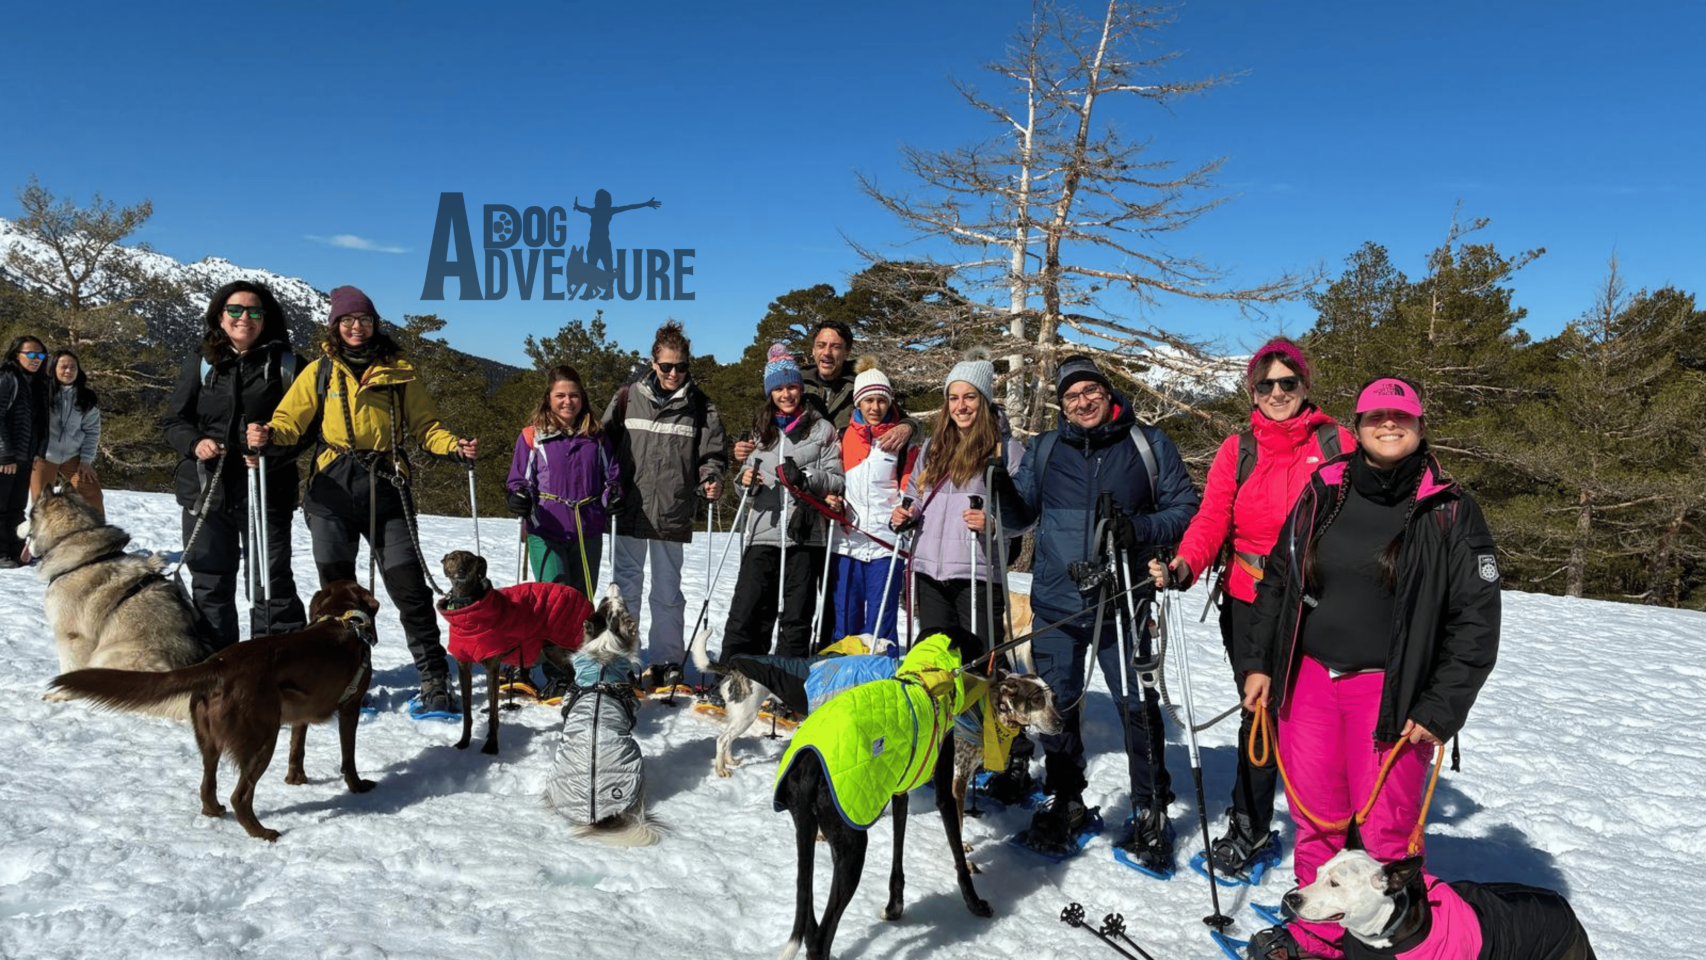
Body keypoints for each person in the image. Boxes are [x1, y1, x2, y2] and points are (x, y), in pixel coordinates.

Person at [1237, 376, 1500, 960]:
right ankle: (1317, 941)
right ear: (1355, 427)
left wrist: (1440, 707)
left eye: (1400, 416)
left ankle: (1387, 948)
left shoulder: (1450, 509)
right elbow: (1279, 580)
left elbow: (1476, 624)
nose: (1388, 425)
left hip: (1393, 694)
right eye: (1375, 416)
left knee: (1387, 835)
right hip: (1307, 681)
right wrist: (1258, 663)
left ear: (1420, 426)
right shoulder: (1324, 487)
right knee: (1316, 823)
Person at [1148, 337, 1352, 880]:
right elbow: (1213, 517)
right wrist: (1187, 565)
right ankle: (1252, 827)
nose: (1278, 392)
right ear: (1252, 391)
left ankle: (1341, 829)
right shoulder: (1238, 449)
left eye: (1289, 382)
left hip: (1318, 601)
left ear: (1305, 386)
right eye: (1267, 384)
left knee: (1323, 717)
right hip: (1248, 598)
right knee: (1258, 713)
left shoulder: (1336, 443)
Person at [247, 285, 478, 715]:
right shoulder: (319, 371)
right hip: (332, 491)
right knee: (338, 598)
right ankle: (348, 680)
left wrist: (450, 446)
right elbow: (288, 421)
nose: (356, 327)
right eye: (348, 321)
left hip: (387, 487)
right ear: (336, 326)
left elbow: (427, 426)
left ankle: (434, 677)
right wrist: (268, 436)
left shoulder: (399, 372)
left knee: (409, 588)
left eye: (364, 320)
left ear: (375, 324)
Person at [1010, 354, 1199, 866]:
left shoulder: (1147, 444)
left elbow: (1185, 509)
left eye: (1090, 391)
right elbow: (1021, 513)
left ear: (1107, 392)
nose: (1082, 402)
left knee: (1136, 707)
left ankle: (1150, 808)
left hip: (1123, 599)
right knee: (1059, 705)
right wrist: (997, 499)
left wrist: (1140, 530)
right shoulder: (1047, 447)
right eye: (1071, 396)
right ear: (1062, 405)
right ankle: (1066, 797)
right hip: (1056, 602)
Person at [163, 282, 310, 645]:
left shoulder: (288, 365)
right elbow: (173, 421)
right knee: (210, 579)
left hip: (266, 486)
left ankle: (277, 666)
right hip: (207, 488)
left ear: (266, 319)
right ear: (219, 316)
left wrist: (271, 445)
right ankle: (219, 668)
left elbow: (310, 428)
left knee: (269, 579)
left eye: (255, 312)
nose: (245, 318)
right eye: (236, 310)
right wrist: (196, 442)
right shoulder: (201, 362)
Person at [603, 320, 727, 689]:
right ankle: (623, 658)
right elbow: (605, 446)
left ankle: (666, 659)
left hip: (673, 510)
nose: (674, 373)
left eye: (681, 366)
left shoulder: (701, 405)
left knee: (668, 590)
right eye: (667, 366)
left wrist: (711, 478)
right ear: (653, 363)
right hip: (630, 508)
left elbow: (713, 454)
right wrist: (608, 484)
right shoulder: (628, 396)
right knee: (625, 590)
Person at [889, 351, 1025, 663]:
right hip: (930, 571)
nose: (960, 406)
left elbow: (1027, 512)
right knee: (936, 663)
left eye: (969, 397)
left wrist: (993, 523)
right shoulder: (934, 446)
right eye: (953, 398)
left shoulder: (1006, 449)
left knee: (978, 660)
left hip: (977, 572)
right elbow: (916, 493)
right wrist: (908, 512)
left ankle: (984, 712)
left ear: (984, 399)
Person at [718, 344, 844, 661]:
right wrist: (743, 480)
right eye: (778, 389)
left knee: (797, 614)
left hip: (804, 534)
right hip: (763, 531)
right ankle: (738, 671)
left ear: (800, 388)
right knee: (749, 608)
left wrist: (806, 477)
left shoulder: (822, 430)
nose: (785, 395)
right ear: (770, 392)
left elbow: (837, 480)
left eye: (791, 387)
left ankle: (787, 678)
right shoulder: (760, 430)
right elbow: (746, 478)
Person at [505, 365, 620, 700]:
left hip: (588, 529)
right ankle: (551, 671)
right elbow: (518, 479)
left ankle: (577, 669)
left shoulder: (596, 437)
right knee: (554, 599)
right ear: (549, 398)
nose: (567, 401)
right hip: (546, 527)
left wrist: (614, 496)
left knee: (581, 604)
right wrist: (517, 496)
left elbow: (612, 477)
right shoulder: (532, 436)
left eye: (573, 395)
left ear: (582, 398)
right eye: (560, 395)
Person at [823, 358, 916, 646]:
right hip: (846, 542)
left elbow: (912, 486)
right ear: (858, 402)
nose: (875, 407)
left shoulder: (901, 440)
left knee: (880, 625)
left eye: (881, 400)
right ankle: (843, 683)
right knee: (845, 622)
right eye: (869, 400)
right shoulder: (842, 437)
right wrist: (831, 498)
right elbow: (832, 478)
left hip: (885, 544)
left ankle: (880, 684)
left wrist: (905, 509)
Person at [33, 349, 106, 520]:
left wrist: (86, 460)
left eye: (73, 367)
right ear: (53, 369)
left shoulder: (86, 397)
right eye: (63, 366)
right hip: (44, 456)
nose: (68, 371)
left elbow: (92, 431)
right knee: (41, 502)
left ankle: (98, 537)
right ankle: (39, 541)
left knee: (93, 495)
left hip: (73, 456)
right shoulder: (40, 394)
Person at [0, 335, 49, 568]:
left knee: (17, 506)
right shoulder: (7, 378)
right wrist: (5, 454)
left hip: (25, 457)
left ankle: (15, 548)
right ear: (16, 355)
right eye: (30, 354)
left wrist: (38, 450)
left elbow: (40, 422)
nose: (36, 359)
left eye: (40, 355)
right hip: (6, 457)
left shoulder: (36, 383)